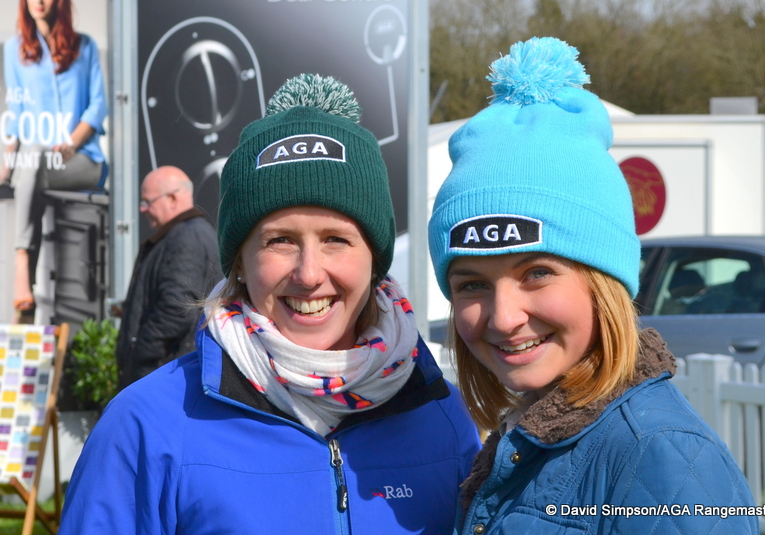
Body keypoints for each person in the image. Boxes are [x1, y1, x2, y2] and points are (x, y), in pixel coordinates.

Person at [60, 74, 481, 533]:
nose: (309, 273)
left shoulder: (442, 419)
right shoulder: (145, 427)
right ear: (239, 261)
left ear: (375, 259)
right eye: (279, 240)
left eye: (336, 240)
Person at [427, 37, 759, 534]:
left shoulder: (662, 455)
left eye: (536, 273)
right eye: (471, 285)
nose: (502, 317)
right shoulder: (526, 435)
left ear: (603, 283)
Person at [1, 0, 107, 318]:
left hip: (83, 160)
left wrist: (71, 144)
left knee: (31, 164)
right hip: (38, 164)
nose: (39, 2)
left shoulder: (84, 46)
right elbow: (17, 115)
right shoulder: (13, 50)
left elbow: (98, 105)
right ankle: (26, 284)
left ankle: (23, 260)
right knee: (31, 160)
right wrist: (6, 164)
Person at [114, 165, 221, 390]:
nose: (143, 210)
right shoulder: (184, 234)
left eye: (147, 202)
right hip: (166, 371)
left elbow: (177, 308)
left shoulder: (187, 237)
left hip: (165, 375)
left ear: (172, 198)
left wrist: (140, 353)